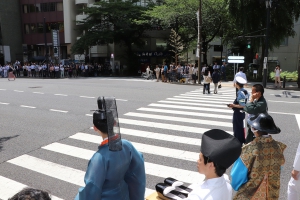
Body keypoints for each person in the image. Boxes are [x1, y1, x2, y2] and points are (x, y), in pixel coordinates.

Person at [75, 97, 146, 200]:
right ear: (114, 123)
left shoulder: (99, 158)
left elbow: (91, 191)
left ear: (95, 128)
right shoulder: (126, 145)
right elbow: (138, 173)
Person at [231, 113, 286, 200]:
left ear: (254, 129)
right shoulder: (278, 147)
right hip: (271, 193)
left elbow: (237, 176)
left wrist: (237, 187)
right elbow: (280, 168)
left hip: (251, 194)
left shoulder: (249, 149)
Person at [186, 129, 242, 200]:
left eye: (200, 159)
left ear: (211, 165)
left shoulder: (198, 195)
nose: (197, 161)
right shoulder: (227, 184)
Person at [228, 76, 248, 144]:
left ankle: (238, 141)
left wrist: (233, 105)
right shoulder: (245, 91)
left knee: (237, 127)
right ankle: (241, 140)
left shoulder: (240, 92)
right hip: (242, 112)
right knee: (240, 126)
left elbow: (242, 105)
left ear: (237, 84)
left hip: (238, 112)